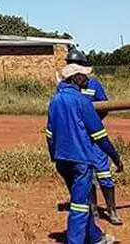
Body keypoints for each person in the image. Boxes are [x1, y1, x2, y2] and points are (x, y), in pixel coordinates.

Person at [47, 62, 123, 244]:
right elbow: (100, 136)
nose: (87, 79)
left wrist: (54, 156)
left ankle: (95, 237)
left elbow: (50, 134)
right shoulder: (82, 101)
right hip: (80, 161)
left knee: (78, 198)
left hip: (62, 160)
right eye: (84, 75)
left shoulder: (54, 101)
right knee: (80, 206)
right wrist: (115, 157)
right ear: (75, 78)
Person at [64, 47, 120, 225]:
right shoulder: (64, 86)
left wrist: (91, 121)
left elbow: (104, 106)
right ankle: (93, 210)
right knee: (85, 174)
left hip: (94, 136)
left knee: (104, 174)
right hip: (79, 138)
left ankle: (111, 210)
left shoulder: (94, 84)